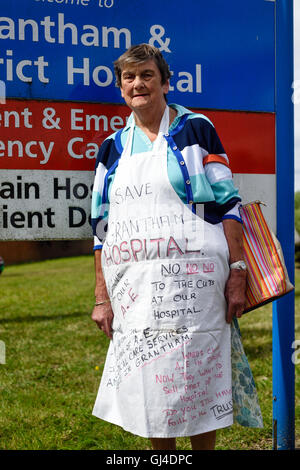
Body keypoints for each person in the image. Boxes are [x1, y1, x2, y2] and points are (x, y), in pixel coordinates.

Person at [91, 44, 263, 450]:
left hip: (197, 289)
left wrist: (238, 274)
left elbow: (227, 204)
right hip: (135, 292)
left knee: (199, 377)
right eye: (129, 78)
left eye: (147, 75)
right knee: (150, 383)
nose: (138, 84)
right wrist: (102, 296)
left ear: (165, 83)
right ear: (120, 89)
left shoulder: (195, 129)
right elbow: (101, 228)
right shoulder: (111, 148)